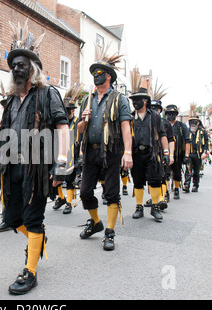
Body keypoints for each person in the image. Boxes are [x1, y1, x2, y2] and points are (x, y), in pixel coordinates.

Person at [0, 20, 70, 294]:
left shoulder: (47, 93)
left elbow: (62, 127)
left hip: (37, 168)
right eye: (13, 64)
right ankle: (38, 240)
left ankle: (30, 272)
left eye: (22, 64)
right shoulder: (11, 98)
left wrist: (61, 163)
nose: (16, 68)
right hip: (12, 166)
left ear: (33, 69)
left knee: (32, 218)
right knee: (13, 219)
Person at [77, 51, 133, 250]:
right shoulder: (87, 100)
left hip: (112, 151)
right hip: (90, 152)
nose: (96, 75)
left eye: (99, 71)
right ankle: (96, 222)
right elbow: (79, 129)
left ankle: (109, 232)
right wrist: (84, 120)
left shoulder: (120, 99)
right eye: (93, 72)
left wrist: (128, 152)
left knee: (111, 193)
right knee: (84, 192)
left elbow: (126, 126)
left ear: (108, 76)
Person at [129, 88, 169, 222]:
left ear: (145, 101)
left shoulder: (155, 116)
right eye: (133, 100)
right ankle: (139, 207)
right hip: (135, 154)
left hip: (152, 153)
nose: (135, 102)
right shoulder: (130, 117)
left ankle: (155, 207)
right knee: (137, 181)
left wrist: (166, 152)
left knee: (155, 180)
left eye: (137, 100)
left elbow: (163, 135)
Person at [53, 84, 83, 214]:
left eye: (69, 110)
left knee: (70, 180)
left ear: (73, 111)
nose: (67, 112)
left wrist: (80, 156)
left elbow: (81, 139)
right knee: (58, 177)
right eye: (66, 109)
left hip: (73, 154)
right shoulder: (59, 122)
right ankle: (61, 198)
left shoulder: (77, 122)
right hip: (60, 153)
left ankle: (69, 203)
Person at [144, 100, 174, 210]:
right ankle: (155, 197)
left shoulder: (165, 123)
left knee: (164, 175)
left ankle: (162, 198)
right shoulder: (146, 121)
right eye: (151, 107)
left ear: (160, 110)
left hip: (161, 154)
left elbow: (170, 140)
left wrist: (170, 154)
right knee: (152, 177)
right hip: (151, 154)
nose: (154, 110)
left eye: (156, 108)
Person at [164, 104, 191, 199]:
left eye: (173, 113)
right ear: (166, 114)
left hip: (178, 155)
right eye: (169, 113)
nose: (171, 115)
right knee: (165, 173)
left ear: (176, 114)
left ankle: (176, 189)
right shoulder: (163, 124)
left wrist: (186, 156)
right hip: (165, 154)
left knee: (177, 172)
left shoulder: (181, 126)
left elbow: (188, 140)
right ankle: (165, 191)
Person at [183, 115, 208, 192]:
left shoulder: (202, 132)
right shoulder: (187, 131)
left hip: (198, 154)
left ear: (198, 123)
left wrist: (204, 152)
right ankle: (187, 184)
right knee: (188, 169)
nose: (192, 124)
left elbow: (206, 142)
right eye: (191, 122)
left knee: (196, 171)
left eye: (194, 122)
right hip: (189, 153)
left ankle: (195, 185)